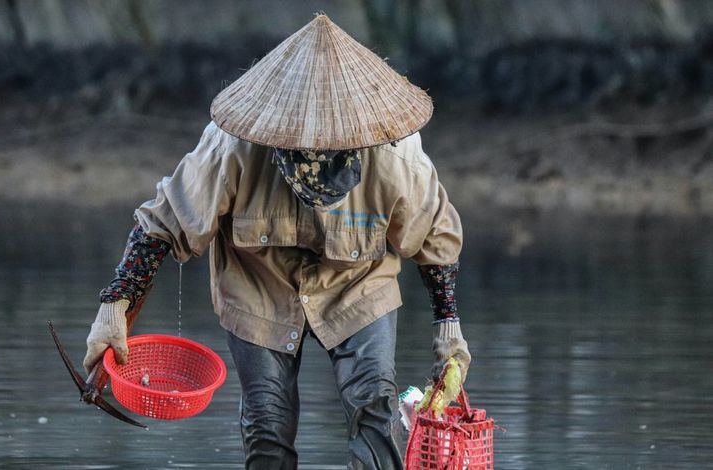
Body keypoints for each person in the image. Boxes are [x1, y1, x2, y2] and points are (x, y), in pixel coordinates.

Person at [82, 14, 470, 470]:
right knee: (268, 422)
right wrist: (114, 308)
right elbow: (160, 223)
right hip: (257, 288)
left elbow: (437, 237)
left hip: (358, 283)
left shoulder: (397, 155)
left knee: (375, 404)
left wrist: (448, 327)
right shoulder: (231, 148)